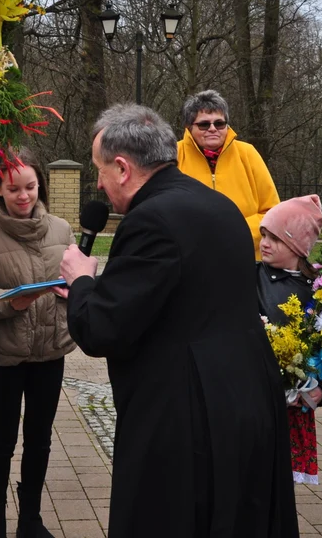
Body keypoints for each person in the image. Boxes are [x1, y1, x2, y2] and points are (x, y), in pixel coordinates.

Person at [59, 103, 298, 538]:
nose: (97, 182)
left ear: (123, 167)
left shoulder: (151, 220)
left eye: (99, 170)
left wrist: (80, 282)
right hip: (248, 399)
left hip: (188, 418)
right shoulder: (220, 207)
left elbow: (102, 329)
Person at [0, 149, 75, 538]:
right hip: (5, 355)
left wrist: (74, 291)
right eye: (14, 189)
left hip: (50, 350)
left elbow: (73, 277)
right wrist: (11, 301)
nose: (24, 196)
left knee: (40, 439)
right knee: (2, 438)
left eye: (30, 186)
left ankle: (30, 517)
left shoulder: (62, 230)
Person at [256, 195, 322, 486]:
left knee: (278, 479)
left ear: (298, 247)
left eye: (275, 238)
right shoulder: (249, 277)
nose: (265, 243)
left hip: (295, 403)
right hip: (253, 395)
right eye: (263, 235)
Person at [175, 89, 279, 259]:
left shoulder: (248, 153)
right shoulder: (174, 155)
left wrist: (234, 232)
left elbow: (272, 211)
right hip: (189, 259)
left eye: (219, 123)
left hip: (244, 258)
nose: (212, 129)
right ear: (189, 127)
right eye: (204, 124)